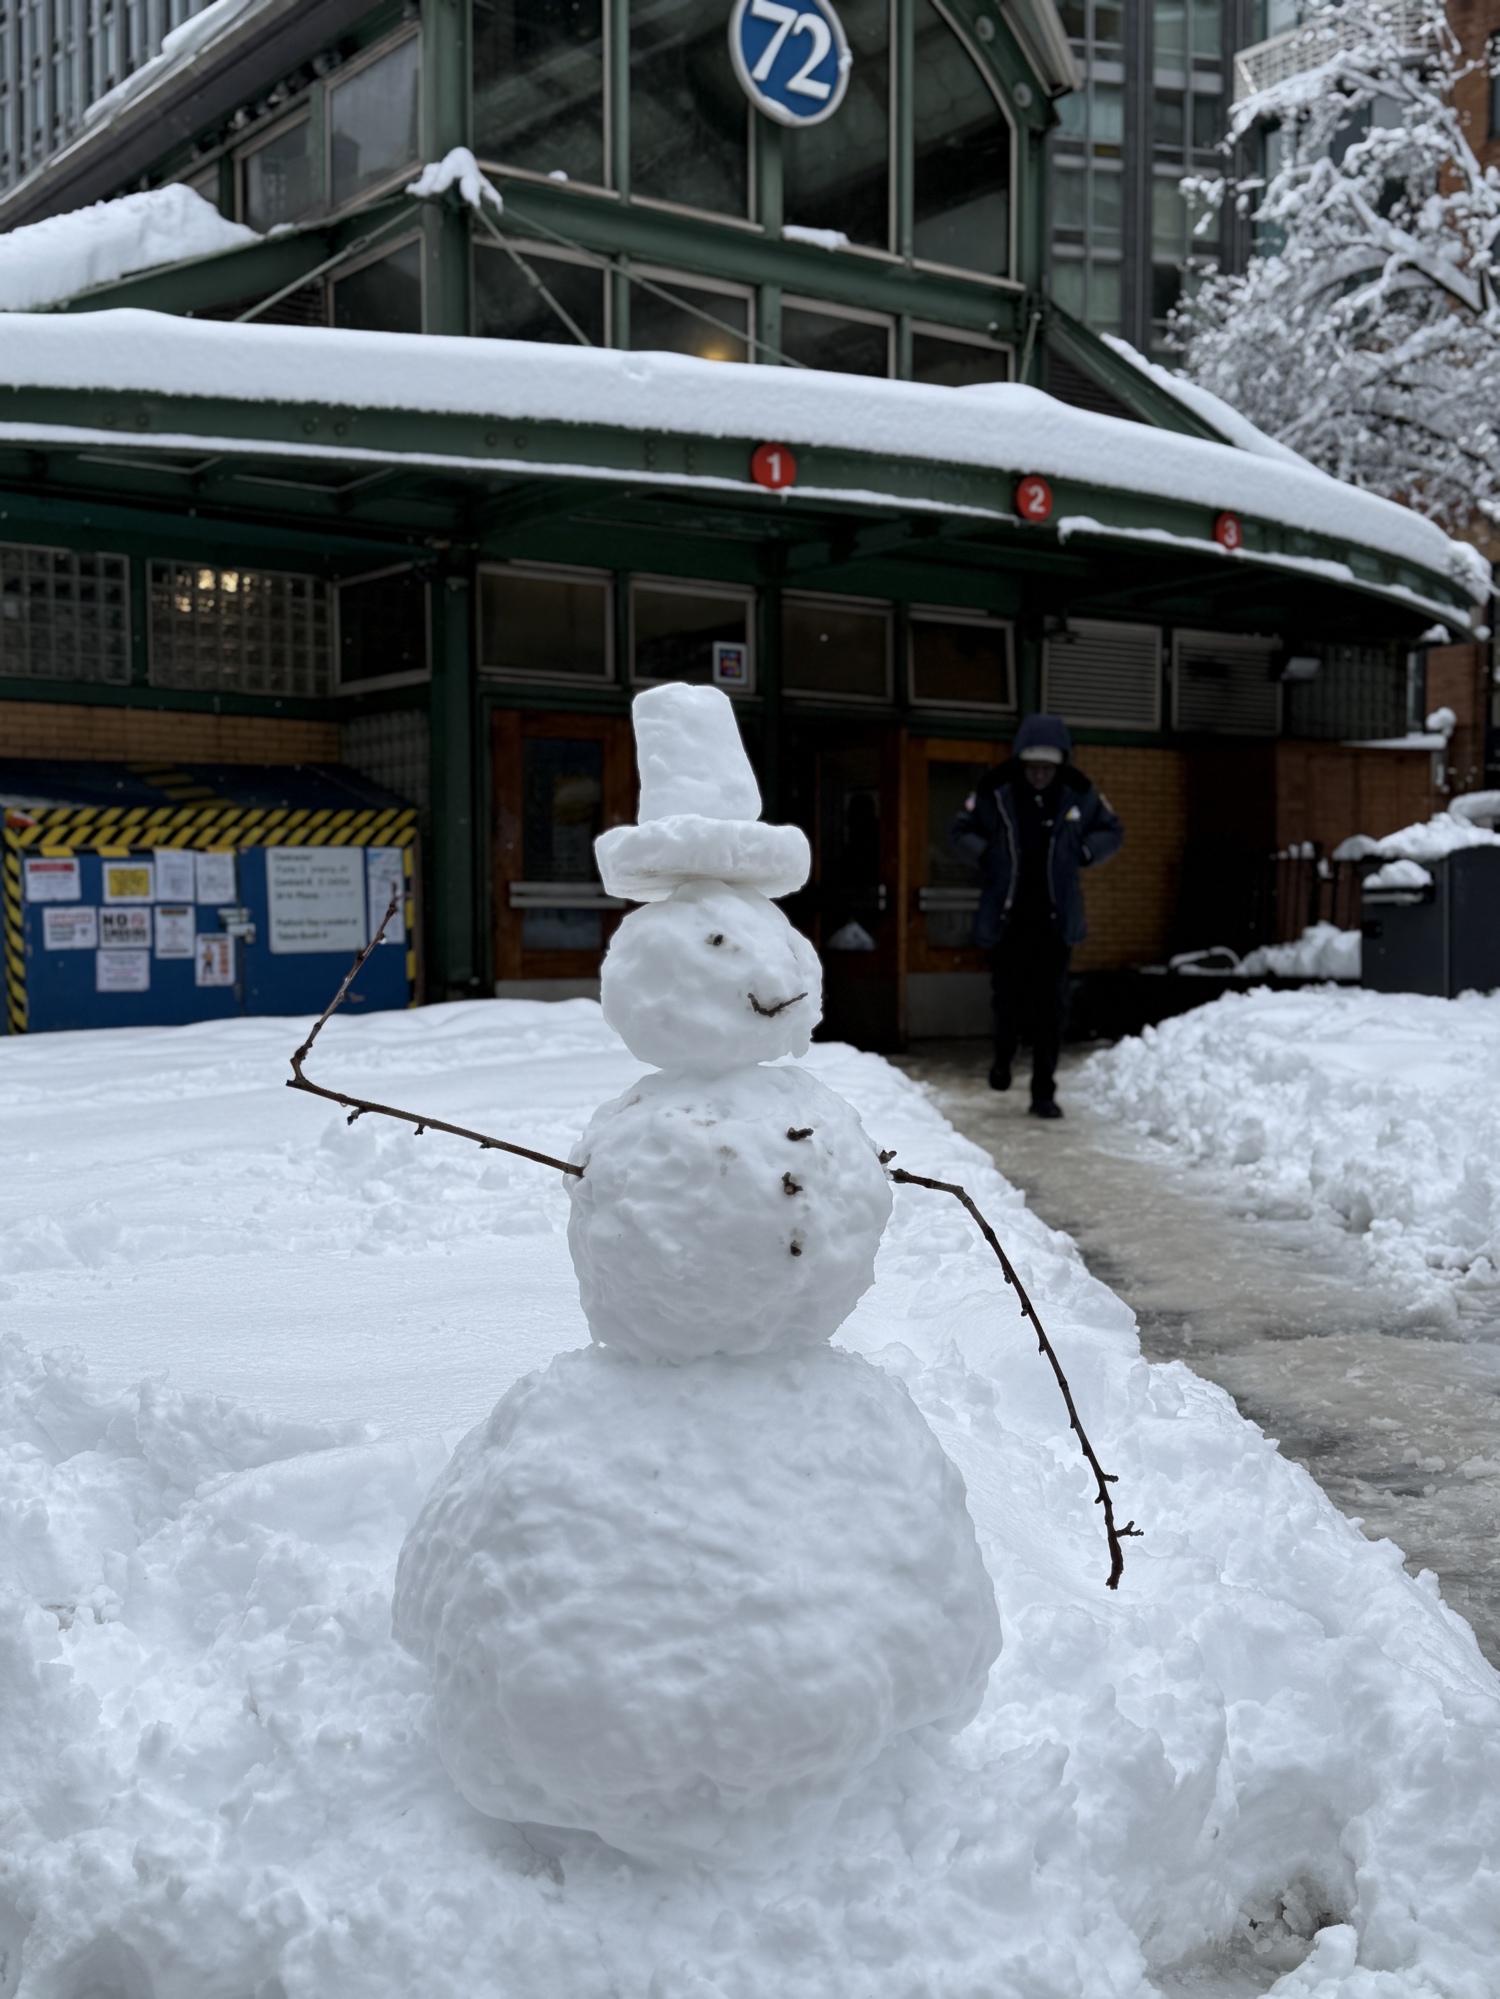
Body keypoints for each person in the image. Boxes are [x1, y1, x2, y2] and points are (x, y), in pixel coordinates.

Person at [951, 714, 1123, 1118]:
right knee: (1007, 1000)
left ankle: (1043, 1091)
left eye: (1048, 768)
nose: (1040, 776)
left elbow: (1111, 830)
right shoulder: (995, 790)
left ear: (1060, 766)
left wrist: (1086, 851)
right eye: (1033, 768)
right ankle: (1003, 1057)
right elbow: (960, 830)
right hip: (1007, 918)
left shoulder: (1079, 792)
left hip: (1055, 922)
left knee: (1051, 1008)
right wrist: (985, 853)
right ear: (1021, 764)